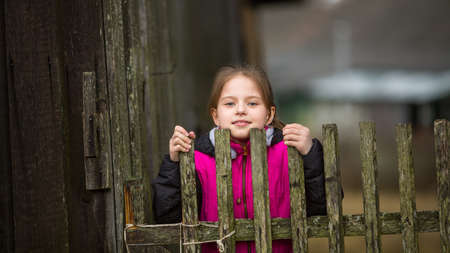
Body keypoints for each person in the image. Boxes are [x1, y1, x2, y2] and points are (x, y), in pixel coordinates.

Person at [152, 64, 327, 253]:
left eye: (252, 103)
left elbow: (322, 209)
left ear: (269, 114)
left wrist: (310, 154)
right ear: (215, 116)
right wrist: (173, 163)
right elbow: (168, 221)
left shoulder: (288, 154)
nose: (241, 110)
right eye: (229, 104)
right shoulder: (197, 160)